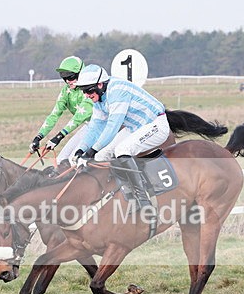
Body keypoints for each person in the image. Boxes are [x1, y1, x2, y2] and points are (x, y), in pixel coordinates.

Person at [70, 64, 170, 212]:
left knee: (122, 150)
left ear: (100, 84)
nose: (86, 95)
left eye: (89, 90)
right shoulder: (99, 98)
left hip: (155, 124)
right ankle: (124, 194)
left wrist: (91, 151)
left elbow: (112, 127)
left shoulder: (117, 91)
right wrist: (81, 150)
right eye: (84, 91)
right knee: (101, 155)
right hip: (134, 127)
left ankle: (143, 199)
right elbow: (95, 128)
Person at [28, 56, 94, 164]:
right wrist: (38, 137)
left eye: (70, 77)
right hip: (89, 126)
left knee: (73, 160)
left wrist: (59, 137)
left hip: (103, 126)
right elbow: (54, 115)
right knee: (60, 160)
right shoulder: (66, 91)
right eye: (64, 78)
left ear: (80, 73)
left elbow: (78, 118)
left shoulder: (89, 89)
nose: (68, 81)